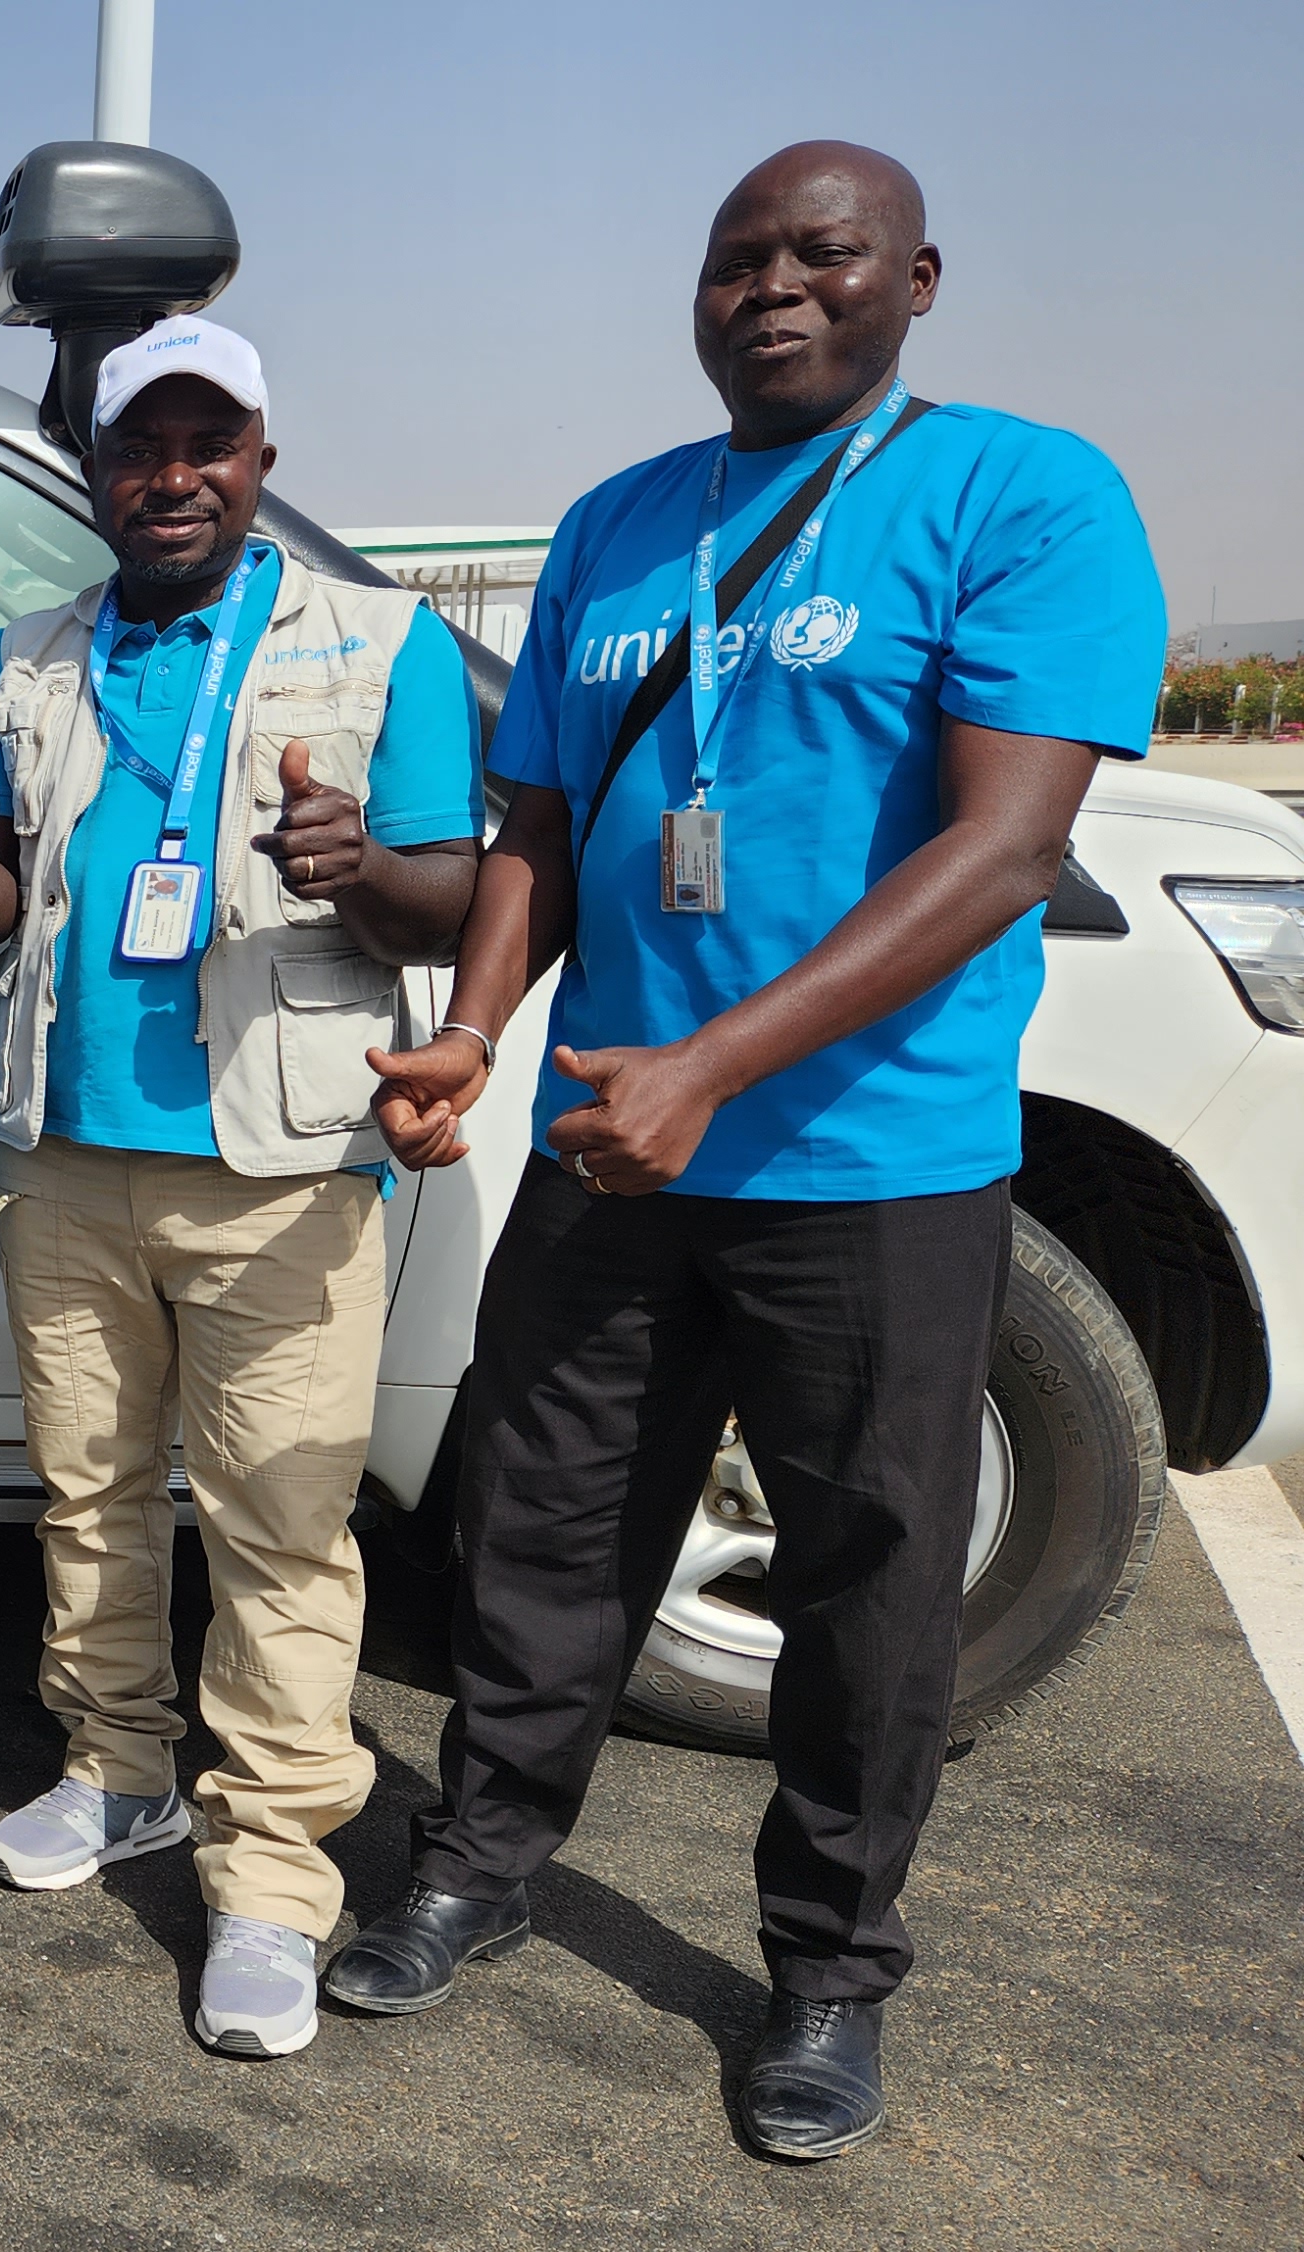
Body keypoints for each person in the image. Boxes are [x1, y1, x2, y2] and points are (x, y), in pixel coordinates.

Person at [332, 145, 1163, 2157]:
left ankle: (821, 1969)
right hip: (606, 1151)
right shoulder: (621, 525)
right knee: (535, 1535)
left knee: (867, 1580)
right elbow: (533, 828)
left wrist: (708, 1061)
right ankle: (480, 1859)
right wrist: (463, 1034)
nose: (768, 289)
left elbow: (1000, 849)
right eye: (733, 260)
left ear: (914, 279)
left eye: (820, 254)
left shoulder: (1019, 497)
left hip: (866, 1164)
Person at [0, 314, 482, 2060]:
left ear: (262, 463)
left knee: (278, 1532)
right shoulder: (26, 651)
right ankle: (119, 1771)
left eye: (206, 444)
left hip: (279, 1163)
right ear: (93, 468)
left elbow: (453, 893)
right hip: (68, 1151)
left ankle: (273, 1879)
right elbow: (11, 909)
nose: (172, 476)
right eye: (139, 446)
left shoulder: (381, 642)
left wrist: (361, 868)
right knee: (87, 1502)